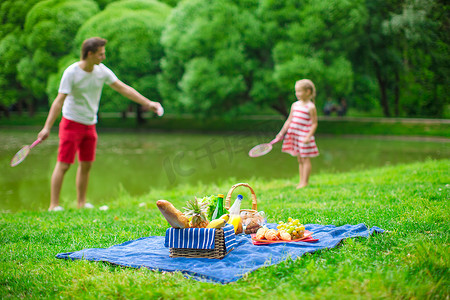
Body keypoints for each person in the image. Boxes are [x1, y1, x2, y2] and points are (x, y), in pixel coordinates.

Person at [37, 37, 163, 211]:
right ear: (90, 54)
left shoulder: (101, 71)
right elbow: (59, 101)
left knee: (86, 164)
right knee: (64, 164)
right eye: (100, 54)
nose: (103, 57)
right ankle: (54, 205)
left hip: (90, 124)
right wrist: (46, 128)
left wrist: (148, 103)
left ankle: (81, 203)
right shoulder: (71, 72)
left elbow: (122, 88)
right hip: (71, 123)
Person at [275, 79, 319, 189]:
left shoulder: (311, 107)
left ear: (308, 92)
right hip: (294, 135)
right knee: (300, 159)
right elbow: (289, 121)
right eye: (296, 91)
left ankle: (305, 182)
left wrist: (308, 136)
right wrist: (281, 133)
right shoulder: (295, 105)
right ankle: (301, 182)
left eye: (299, 91)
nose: (297, 94)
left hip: (304, 136)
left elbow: (314, 123)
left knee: (305, 159)